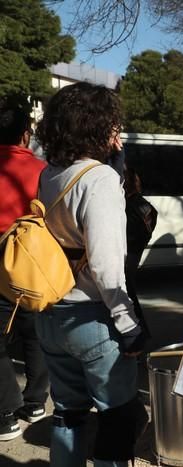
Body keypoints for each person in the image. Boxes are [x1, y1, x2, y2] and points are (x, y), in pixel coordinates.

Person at [34, 82, 148, 467]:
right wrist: (128, 323)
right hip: (92, 317)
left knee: (68, 414)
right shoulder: (99, 180)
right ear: (98, 126)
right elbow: (105, 264)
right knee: (117, 421)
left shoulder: (50, 173)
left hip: (51, 311)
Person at [0, 105, 50, 441]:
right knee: (36, 335)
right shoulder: (44, 171)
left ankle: (5, 416)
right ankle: (34, 403)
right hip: (33, 265)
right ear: (25, 134)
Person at [124, 166, 157, 338]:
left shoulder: (126, 206)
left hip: (126, 253)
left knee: (127, 294)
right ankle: (141, 333)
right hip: (135, 252)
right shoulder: (147, 207)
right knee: (129, 292)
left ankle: (139, 334)